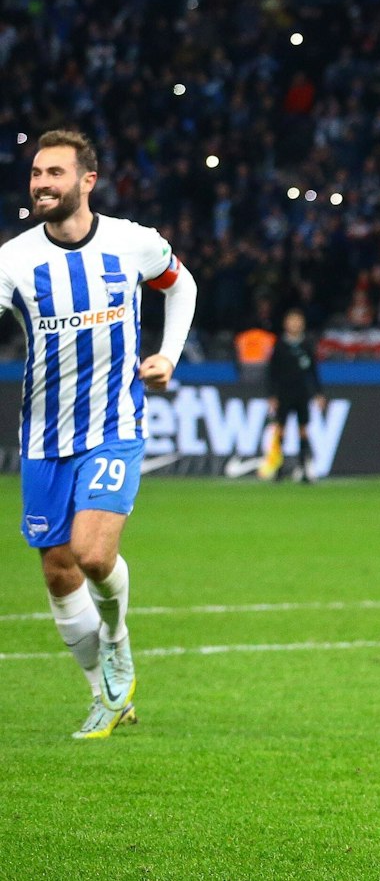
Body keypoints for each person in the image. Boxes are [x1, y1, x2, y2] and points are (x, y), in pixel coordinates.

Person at [1, 129, 196, 738]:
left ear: (88, 180)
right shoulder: (14, 260)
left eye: (54, 173)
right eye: (36, 174)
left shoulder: (131, 243)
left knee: (92, 554)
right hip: (42, 437)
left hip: (114, 425)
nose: (41, 184)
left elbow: (181, 284)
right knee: (59, 569)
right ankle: (107, 693)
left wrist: (169, 354)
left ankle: (117, 643)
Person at [260, 309, 325, 483]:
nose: (295, 324)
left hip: (302, 393)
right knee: (281, 429)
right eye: (291, 321)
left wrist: (319, 393)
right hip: (284, 393)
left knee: (303, 430)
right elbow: (272, 372)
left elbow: (313, 371)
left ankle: (304, 467)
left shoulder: (306, 344)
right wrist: (272, 395)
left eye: (298, 321)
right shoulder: (280, 345)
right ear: (285, 324)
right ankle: (279, 468)